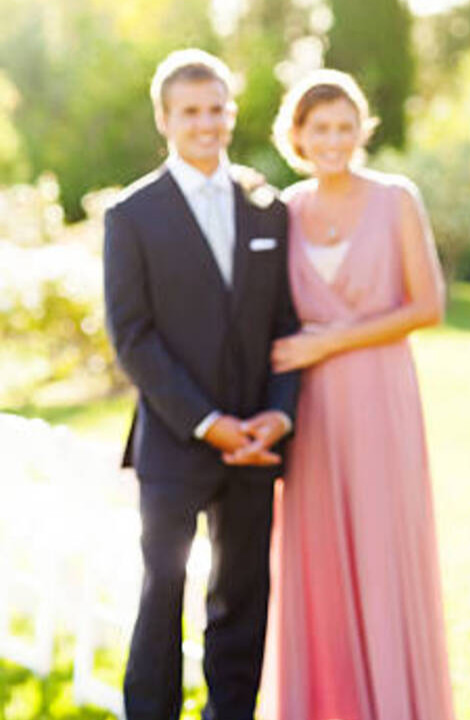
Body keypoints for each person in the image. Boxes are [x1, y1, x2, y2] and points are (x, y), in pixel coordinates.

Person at [103, 48, 300, 720]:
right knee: (162, 592)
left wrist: (277, 414)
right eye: (191, 112)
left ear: (231, 113)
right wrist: (207, 422)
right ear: (165, 119)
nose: (206, 124)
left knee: (243, 597)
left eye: (217, 109)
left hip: (256, 443)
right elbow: (133, 338)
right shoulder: (131, 216)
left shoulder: (268, 208)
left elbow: (286, 323)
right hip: (175, 443)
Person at [260, 69, 454, 720]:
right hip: (311, 412)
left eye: (346, 126)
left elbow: (428, 306)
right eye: (321, 128)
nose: (334, 140)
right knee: (316, 559)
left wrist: (330, 342)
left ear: (362, 130)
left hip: (380, 400)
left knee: (381, 548)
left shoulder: (396, 198)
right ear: (297, 135)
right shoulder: (284, 211)